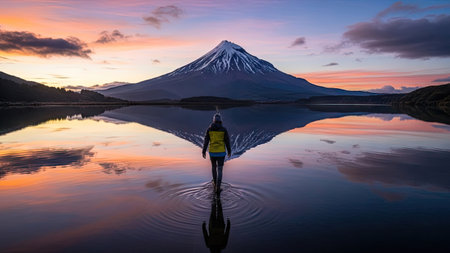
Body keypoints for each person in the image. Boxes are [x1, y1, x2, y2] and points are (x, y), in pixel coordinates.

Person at [202, 113, 231, 193]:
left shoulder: (209, 129)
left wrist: (204, 151)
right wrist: (229, 151)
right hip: (221, 152)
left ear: (213, 120)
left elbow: (206, 140)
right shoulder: (223, 129)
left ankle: (214, 184)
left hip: (212, 152)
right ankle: (218, 187)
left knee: (213, 168)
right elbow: (227, 141)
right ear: (220, 120)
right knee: (220, 169)